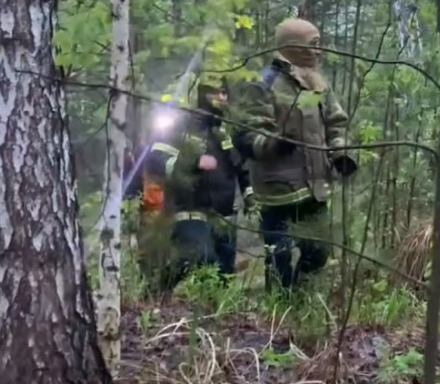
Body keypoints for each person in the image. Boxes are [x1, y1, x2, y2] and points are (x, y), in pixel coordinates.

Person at [230, 18, 358, 291]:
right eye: (313, 45)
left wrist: (341, 154)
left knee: (318, 252)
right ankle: (279, 312)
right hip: (277, 194)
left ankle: (299, 299)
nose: (318, 51)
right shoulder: (264, 85)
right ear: (294, 47)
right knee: (279, 256)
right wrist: (274, 144)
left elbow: (336, 122)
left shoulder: (317, 83)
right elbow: (246, 134)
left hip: (314, 189)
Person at [143, 75, 252, 292]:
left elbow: (241, 166)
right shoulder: (180, 126)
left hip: (225, 215)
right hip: (190, 210)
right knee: (201, 257)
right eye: (216, 92)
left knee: (224, 274)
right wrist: (193, 162)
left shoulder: (225, 129)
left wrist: (249, 194)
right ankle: (157, 291)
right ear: (201, 94)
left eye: (225, 92)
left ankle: (214, 319)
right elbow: (157, 161)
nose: (222, 97)